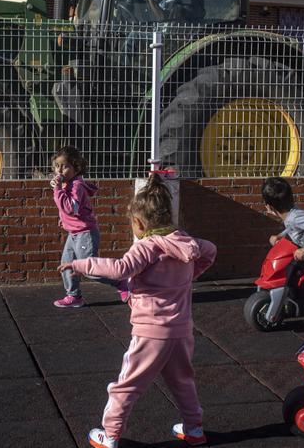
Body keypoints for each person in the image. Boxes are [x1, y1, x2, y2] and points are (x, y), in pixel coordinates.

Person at [58, 173, 217, 448]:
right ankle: (194, 429)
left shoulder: (148, 247)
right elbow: (210, 251)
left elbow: (120, 269)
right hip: (181, 331)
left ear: (140, 223)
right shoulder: (186, 243)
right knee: (183, 382)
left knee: (126, 385)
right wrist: (191, 275)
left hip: (151, 333)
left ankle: (109, 435)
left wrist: (81, 264)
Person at [51, 146, 128, 308]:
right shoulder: (67, 184)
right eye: (57, 166)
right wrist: (63, 220)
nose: (60, 170)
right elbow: (68, 210)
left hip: (85, 234)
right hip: (74, 233)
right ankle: (74, 296)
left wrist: (57, 190)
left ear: (76, 168)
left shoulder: (76, 185)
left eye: (64, 166)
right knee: (67, 264)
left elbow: (71, 208)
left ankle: (121, 282)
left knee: (89, 270)